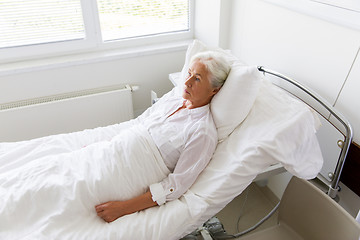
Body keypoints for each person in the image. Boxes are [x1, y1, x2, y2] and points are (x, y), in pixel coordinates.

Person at [95, 51, 231, 223]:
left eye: (197, 79)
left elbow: (176, 185)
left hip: (129, 174)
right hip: (111, 152)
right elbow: (140, 123)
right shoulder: (174, 100)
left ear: (215, 89)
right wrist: (104, 146)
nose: (187, 83)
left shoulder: (202, 132)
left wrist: (122, 209)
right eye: (189, 74)